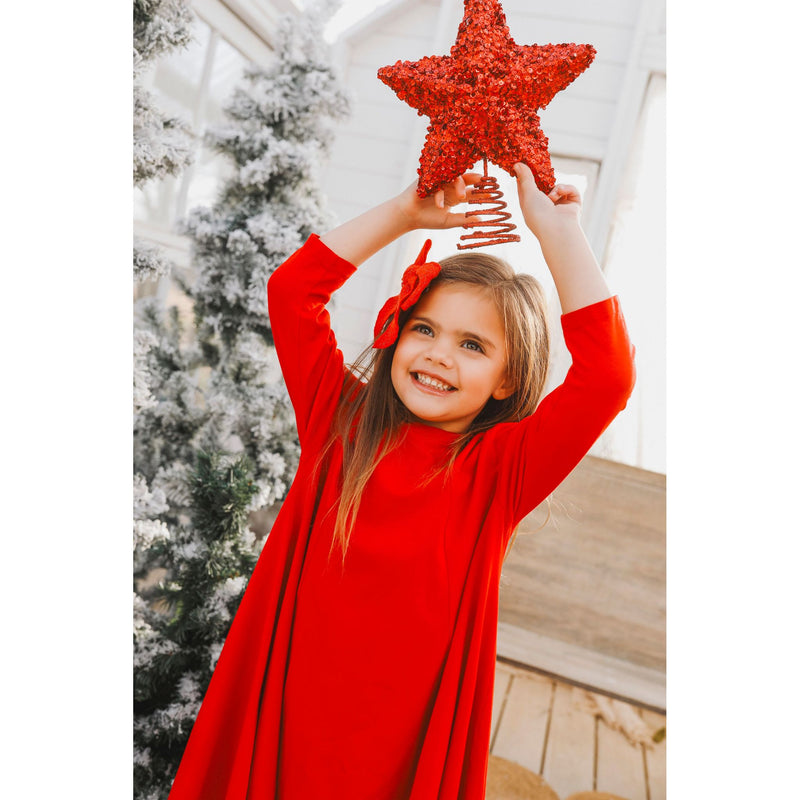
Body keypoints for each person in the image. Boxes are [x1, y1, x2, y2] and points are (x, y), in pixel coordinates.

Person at [168, 163, 636, 800]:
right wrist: (406, 214)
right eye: (425, 328)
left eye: (473, 345)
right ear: (395, 334)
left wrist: (557, 233)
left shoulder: (500, 468)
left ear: (506, 379)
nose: (440, 353)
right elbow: (292, 291)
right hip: (287, 699)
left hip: (402, 732)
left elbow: (607, 378)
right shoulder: (338, 418)